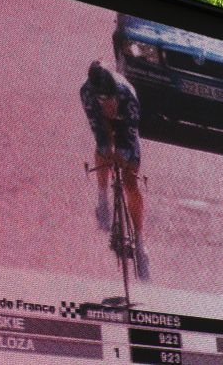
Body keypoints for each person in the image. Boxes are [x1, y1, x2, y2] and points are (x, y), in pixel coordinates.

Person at [80, 61, 149, 281]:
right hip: (103, 125)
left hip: (125, 126)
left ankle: (140, 241)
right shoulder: (87, 93)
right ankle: (102, 199)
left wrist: (122, 155)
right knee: (103, 151)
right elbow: (98, 131)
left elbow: (130, 135)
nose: (108, 104)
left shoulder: (127, 95)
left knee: (130, 181)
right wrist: (108, 150)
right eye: (103, 101)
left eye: (110, 100)